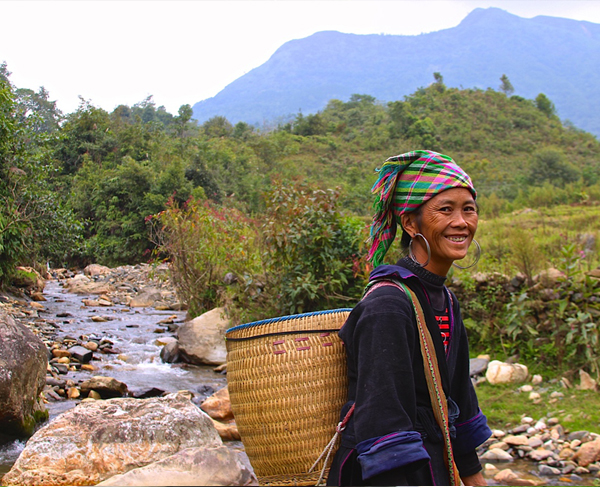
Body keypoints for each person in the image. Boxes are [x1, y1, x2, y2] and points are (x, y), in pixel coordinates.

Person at [326, 150, 492, 486]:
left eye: (468, 209)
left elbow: (457, 398)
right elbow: (383, 420)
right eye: (445, 209)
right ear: (410, 223)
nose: (461, 222)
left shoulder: (445, 299)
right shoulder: (388, 304)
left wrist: (474, 480)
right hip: (387, 474)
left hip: (433, 460)